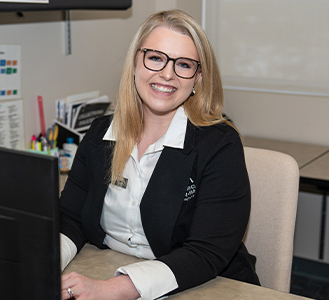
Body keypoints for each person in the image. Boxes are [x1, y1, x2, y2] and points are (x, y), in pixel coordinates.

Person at [59, 9, 260, 300]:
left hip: (207, 286)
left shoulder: (219, 145)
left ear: (198, 78)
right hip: (108, 268)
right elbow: (71, 219)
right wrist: (45, 264)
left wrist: (112, 289)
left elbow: (205, 252)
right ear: (135, 63)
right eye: (155, 58)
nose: (167, 74)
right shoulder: (100, 134)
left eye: (184, 64)